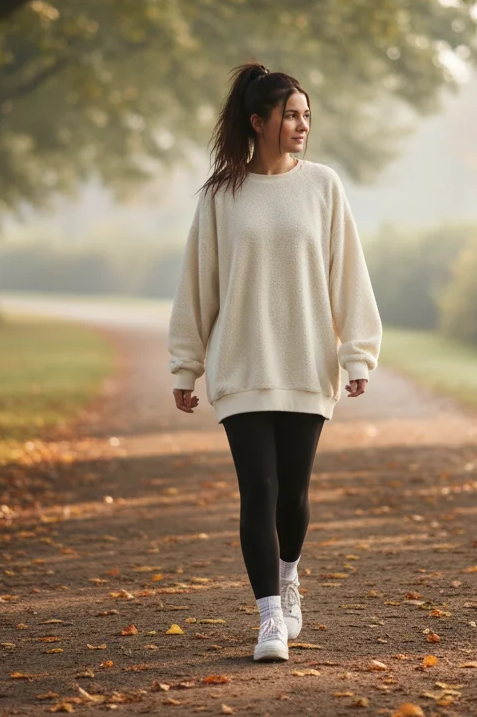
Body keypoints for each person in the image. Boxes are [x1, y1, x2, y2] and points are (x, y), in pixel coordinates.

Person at [167, 61, 382, 663]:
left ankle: (289, 577)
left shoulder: (324, 186)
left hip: (307, 365)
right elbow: (197, 286)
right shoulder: (221, 196)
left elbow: (348, 273)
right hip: (241, 365)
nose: (302, 125)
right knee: (258, 490)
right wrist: (186, 365)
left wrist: (357, 354)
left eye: (306, 115)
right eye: (291, 115)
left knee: (292, 496)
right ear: (259, 122)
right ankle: (269, 618)